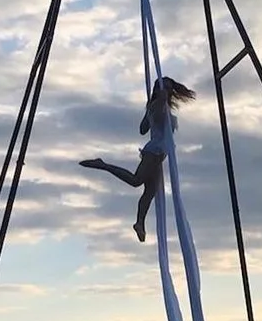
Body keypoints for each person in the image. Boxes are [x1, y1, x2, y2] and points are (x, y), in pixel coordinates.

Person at [79, 75, 197, 242]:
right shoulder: (157, 106)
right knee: (136, 181)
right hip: (154, 152)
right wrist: (156, 108)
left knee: (150, 192)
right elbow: (150, 124)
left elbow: (142, 129)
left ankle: (139, 223)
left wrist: (152, 113)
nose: (169, 91)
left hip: (158, 155)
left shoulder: (159, 107)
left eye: (170, 88)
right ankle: (103, 165)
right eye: (166, 88)